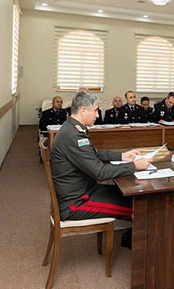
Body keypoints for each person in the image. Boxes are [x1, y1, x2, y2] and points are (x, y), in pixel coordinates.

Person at [49, 91, 151, 247]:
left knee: (133, 197)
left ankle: (135, 238)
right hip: (76, 203)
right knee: (138, 207)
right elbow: (101, 173)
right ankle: (142, 249)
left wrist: (122, 156)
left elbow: (94, 154)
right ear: (83, 110)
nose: (97, 115)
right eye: (95, 110)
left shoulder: (72, 128)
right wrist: (135, 166)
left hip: (85, 190)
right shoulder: (73, 135)